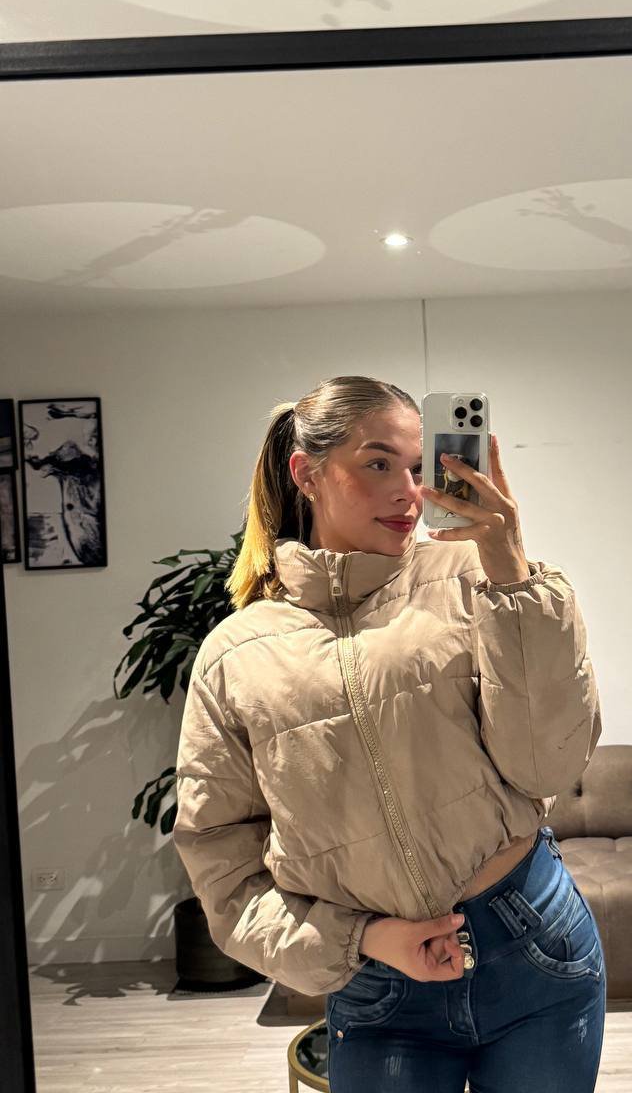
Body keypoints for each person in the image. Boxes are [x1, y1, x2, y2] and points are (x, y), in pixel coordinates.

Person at [173, 375, 605, 1091]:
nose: (408, 492)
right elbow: (221, 861)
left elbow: (547, 767)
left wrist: (510, 570)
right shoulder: (236, 653)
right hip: (378, 982)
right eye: (378, 463)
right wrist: (364, 938)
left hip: (531, 943)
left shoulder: (474, 578)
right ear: (306, 473)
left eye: (418, 467)